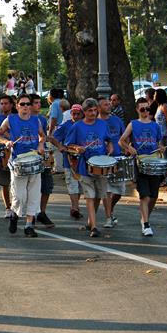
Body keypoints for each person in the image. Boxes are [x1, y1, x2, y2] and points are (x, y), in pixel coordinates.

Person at [0, 94, 45, 237]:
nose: (26, 107)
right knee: (19, 195)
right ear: (17, 106)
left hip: (34, 159)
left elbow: (42, 136)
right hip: (18, 161)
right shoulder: (11, 119)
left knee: (34, 194)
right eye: (22, 104)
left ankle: (29, 225)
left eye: (28, 104)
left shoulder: (36, 121)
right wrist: (6, 142)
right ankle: (15, 215)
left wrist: (41, 144)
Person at [65, 98, 113, 238]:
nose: (93, 113)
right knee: (90, 196)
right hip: (84, 166)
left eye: (94, 110)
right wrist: (77, 148)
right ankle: (94, 226)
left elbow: (108, 140)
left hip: (101, 165)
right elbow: (68, 145)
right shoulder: (77, 127)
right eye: (89, 111)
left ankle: (90, 221)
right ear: (84, 112)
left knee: (99, 195)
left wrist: (110, 147)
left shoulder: (103, 124)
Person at [119, 97, 163, 237]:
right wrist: (129, 149)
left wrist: (161, 148)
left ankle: (145, 218)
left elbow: (159, 143)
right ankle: (146, 224)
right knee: (144, 195)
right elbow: (121, 141)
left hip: (154, 162)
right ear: (137, 110)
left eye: (147, 108)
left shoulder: (155, 125)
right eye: (142, 109)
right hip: (140, 162)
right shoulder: (133, 124)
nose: (145, 111)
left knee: (153, 196)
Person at [50, 104, 84, 219]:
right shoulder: (66, 126)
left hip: (84, 160)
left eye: (78, 114)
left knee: (80, 185)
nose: (76, 116)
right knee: (72, 183)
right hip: (70, 159)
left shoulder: (86, 124)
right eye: (73, 114)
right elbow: (53, 137)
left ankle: (75, 206)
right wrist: (60, 146)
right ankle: (75, 208)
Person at [98, 96, 125, 228]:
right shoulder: (96, 122)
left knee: (119, 190)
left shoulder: (117, 120)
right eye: (105, 104)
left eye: (109, 104)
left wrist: (128, 148)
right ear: (98, 108)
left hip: (118, 157)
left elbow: (124, 136)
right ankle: (108, 217)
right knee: (106, 190)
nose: (109, 106)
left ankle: (110, 209)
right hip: (102, 160)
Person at [30, 94, 54, 228]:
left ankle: (42, 212)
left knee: (47, 184)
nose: (39, 105)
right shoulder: (20, 118)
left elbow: (43, 137)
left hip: (42, 154)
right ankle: (31, 213)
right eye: (36, 103)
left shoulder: (42, 119)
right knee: (31, 187)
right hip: (28, 155)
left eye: (40, 102)